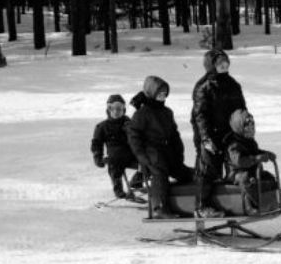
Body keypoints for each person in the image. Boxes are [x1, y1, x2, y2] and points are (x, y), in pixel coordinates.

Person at [127, 76, 196, 219]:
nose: (162, 96)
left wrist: (179, 151)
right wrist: (142, 157)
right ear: (151, 93)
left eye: (165, 93)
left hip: (168, 153)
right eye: (159, 93)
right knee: (160, 175)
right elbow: (134, 136)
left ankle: (191, 202)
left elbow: (174, 133)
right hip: (152, 154)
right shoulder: (142, 114)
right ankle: (160, 208)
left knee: (186, 173)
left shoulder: (167, 112)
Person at [191, 49, 246, 217]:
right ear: (211, 65)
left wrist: (244, 125)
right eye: (219, 63)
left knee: (235, 165)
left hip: (230, 134)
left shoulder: (233, 84)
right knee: (209, 170)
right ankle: (202, 206)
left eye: (226, 62)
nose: (224, 65)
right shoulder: (204, 87)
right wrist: (205, 137)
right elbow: (200, 115)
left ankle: (237, 203)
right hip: (210, 135)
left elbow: (241, 108)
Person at [90, 94, 145, 199]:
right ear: (108, 109)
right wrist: (97, 157)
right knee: (114, 166)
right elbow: (96, 143)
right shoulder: (102, 127)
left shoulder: (129, 123)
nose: (116, 111)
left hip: (131, 154)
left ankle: (137, 181)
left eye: (119, 108)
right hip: (116, 157)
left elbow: (140, 137)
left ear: (123, 110)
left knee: (149, 161)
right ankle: (119, 190)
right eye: (113, 108)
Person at [224, 109, 278, 213]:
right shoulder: (233, 144)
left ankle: (276, 200)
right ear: (239, 127)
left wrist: (266, 154)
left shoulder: (249, 141)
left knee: (268, 176)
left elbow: (255, 152)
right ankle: (250, 206)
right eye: (247, 127)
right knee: (246, 179)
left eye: (252, 126)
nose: (251, 129)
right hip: (236, 173)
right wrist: (256, 159)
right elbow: (239, 161)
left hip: (251, 170)